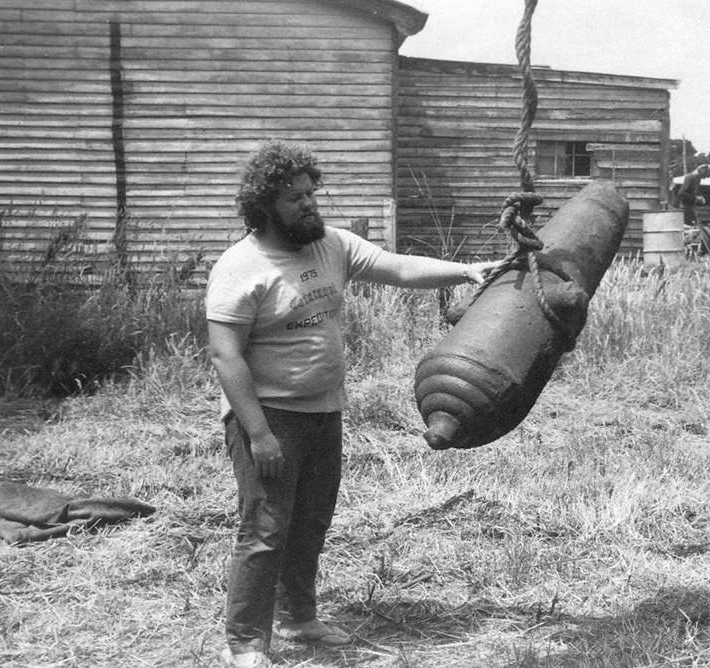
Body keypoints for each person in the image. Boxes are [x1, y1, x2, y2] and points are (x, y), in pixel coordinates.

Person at [205, 141, 499, 668]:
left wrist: (467, 271)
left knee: (311, 520)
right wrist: (257, 433)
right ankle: (245, 642)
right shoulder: (240, 266)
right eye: (295, 198)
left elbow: (398, 267)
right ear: (263, 204)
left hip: (324, 410)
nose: (309, 205)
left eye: (311, 194)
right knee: (266, 528)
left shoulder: (331, 245)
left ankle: (298, 618)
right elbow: (225, 356)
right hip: (270, 417)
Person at [678, 164, 710, 253]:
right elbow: (681, 193)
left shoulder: (697, 179)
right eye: (704, 176)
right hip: (685, 207)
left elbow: (695, 192)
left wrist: (700, 197)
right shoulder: (690, 177)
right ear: (701, 171)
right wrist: (695, 198)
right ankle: (688, 250)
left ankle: (694, 250)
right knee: (690, 229)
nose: (703, 178)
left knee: (694, 229)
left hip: (691, 206)